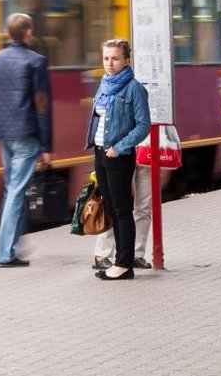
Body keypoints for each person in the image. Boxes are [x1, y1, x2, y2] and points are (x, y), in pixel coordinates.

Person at [0, 13, 53, 268]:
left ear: (8, 34)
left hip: (2, 136)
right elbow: (42, 105)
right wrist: (47, 146)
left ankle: (15, 245)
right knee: (16, 192)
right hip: (26, 136)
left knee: (13, 190)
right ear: (28, 33)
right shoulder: (36, 62)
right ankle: (4, 254)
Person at [85, 38, 150, 281]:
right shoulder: (104, 85)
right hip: (101, 153)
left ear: (126, 60)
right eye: (106, 58)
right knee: (111, 208)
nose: (109, 63)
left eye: (115, 58)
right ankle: (121, 262)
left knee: (123, 210)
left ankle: (124, 263)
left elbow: (143, 126)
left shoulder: (134, 88)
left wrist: (120, 147)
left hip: (118, 155)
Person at [92, 165, 153, 270]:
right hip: (124, 155)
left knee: (144, 207)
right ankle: (102, 254)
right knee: (116, 206)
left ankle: (136, 254)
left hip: (148, 157)